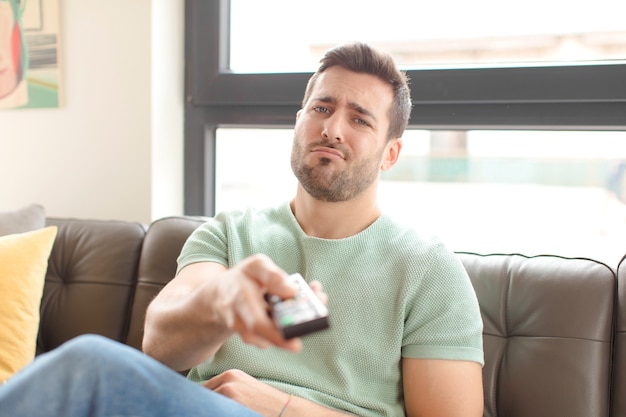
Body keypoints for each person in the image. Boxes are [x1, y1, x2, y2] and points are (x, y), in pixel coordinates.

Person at [0, 42, 484, 417]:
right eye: (321, 108)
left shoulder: (427, 268)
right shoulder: (229, 232)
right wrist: (218, 305)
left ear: (391, 153)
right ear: (299, 122)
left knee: (89, 366)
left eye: (359, 119)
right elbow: (158, 345)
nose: (333, 128)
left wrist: (281, 407)